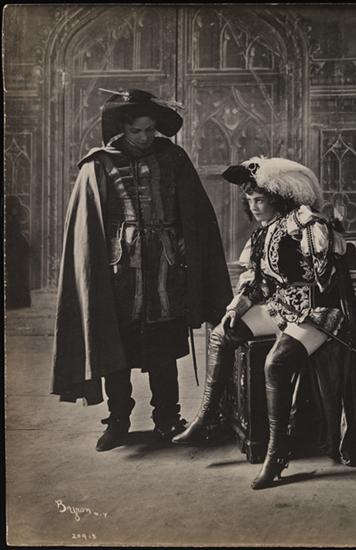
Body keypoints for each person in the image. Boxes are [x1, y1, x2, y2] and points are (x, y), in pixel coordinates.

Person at [172, 157, 356, 490]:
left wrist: (319, 232)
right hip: (281, 308)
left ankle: (276, 453)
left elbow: (330, 270)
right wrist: (239, 307)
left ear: (278, 198)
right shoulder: (261, 234)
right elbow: (259, 284)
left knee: (275, 363)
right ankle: (206, 417)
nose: (254, 206)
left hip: (317, 313)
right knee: (223, 332)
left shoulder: (303, 222)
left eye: (260, 199)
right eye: (250, 200)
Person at [51, 89, 232, 452]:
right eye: (137, 131)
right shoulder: (99, 164)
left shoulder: (173, 157)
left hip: (166, 270)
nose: (146, 137)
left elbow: (194, 214)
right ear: (123, 128)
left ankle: (167, 419)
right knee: (116, 352)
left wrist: (187, 245)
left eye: (150, 130)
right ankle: (118, 421)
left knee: (164, 352)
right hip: (119, 274)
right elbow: (87, 228)